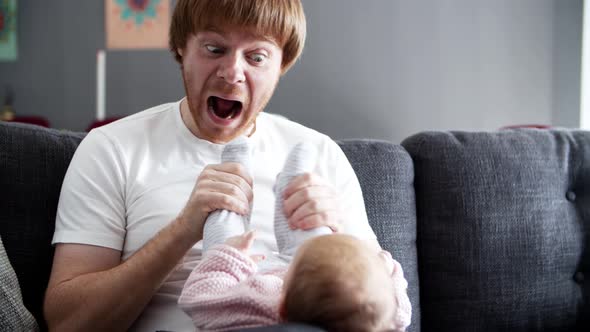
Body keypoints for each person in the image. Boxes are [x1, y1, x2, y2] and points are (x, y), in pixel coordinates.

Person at [44, 1, 383, 331]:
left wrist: (338, 234)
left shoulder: (319, 155)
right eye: (214, 49)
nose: (233, 72)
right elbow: (68, 322)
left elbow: (385, 311)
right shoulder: (111, 149)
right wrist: (183, 230)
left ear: (282, 64)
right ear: (181, 48)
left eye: (257, 57)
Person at [178, 141, 411, 331]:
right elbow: (396, 290)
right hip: (317, 273)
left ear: (281, 309)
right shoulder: (388, 316)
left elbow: (201, 295)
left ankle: (233, 179)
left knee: (224, 227)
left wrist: (230, 255)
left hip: (250, 272)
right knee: (317, 235)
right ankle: (295, 186)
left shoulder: (252, 306)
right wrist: (376, 262)